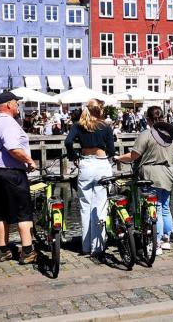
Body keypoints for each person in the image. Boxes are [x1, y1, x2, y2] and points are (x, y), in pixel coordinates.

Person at [0, 91, 38, 264]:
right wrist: (29, 161)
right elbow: (13, 148)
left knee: (1, 212)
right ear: (8, 105)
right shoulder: (8, 123)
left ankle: (2, 250)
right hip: (11, 172)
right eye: (16, 103)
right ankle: (28, 251)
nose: (18, 106)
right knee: (24, 211)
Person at [116, 106, 173, 253]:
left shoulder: (147, 134)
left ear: (148, 119)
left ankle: (157, 243)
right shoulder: (168, 134)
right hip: (167, 173)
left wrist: (118, 157)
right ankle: (167, 239)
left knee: (156, 208)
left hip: (151, 175)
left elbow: (134, 156)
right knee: (165, 207)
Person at [65, 99, 115, 258]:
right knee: (100, 206)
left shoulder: (79, 125)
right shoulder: (105, 126)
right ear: (100, 110)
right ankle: (97, 247)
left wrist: (73, 155)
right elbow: (112, 149)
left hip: (86, 165)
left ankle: (85, 246)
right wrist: (110, 154)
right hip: (101, 165)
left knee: (85, 206)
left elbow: (68, 142)